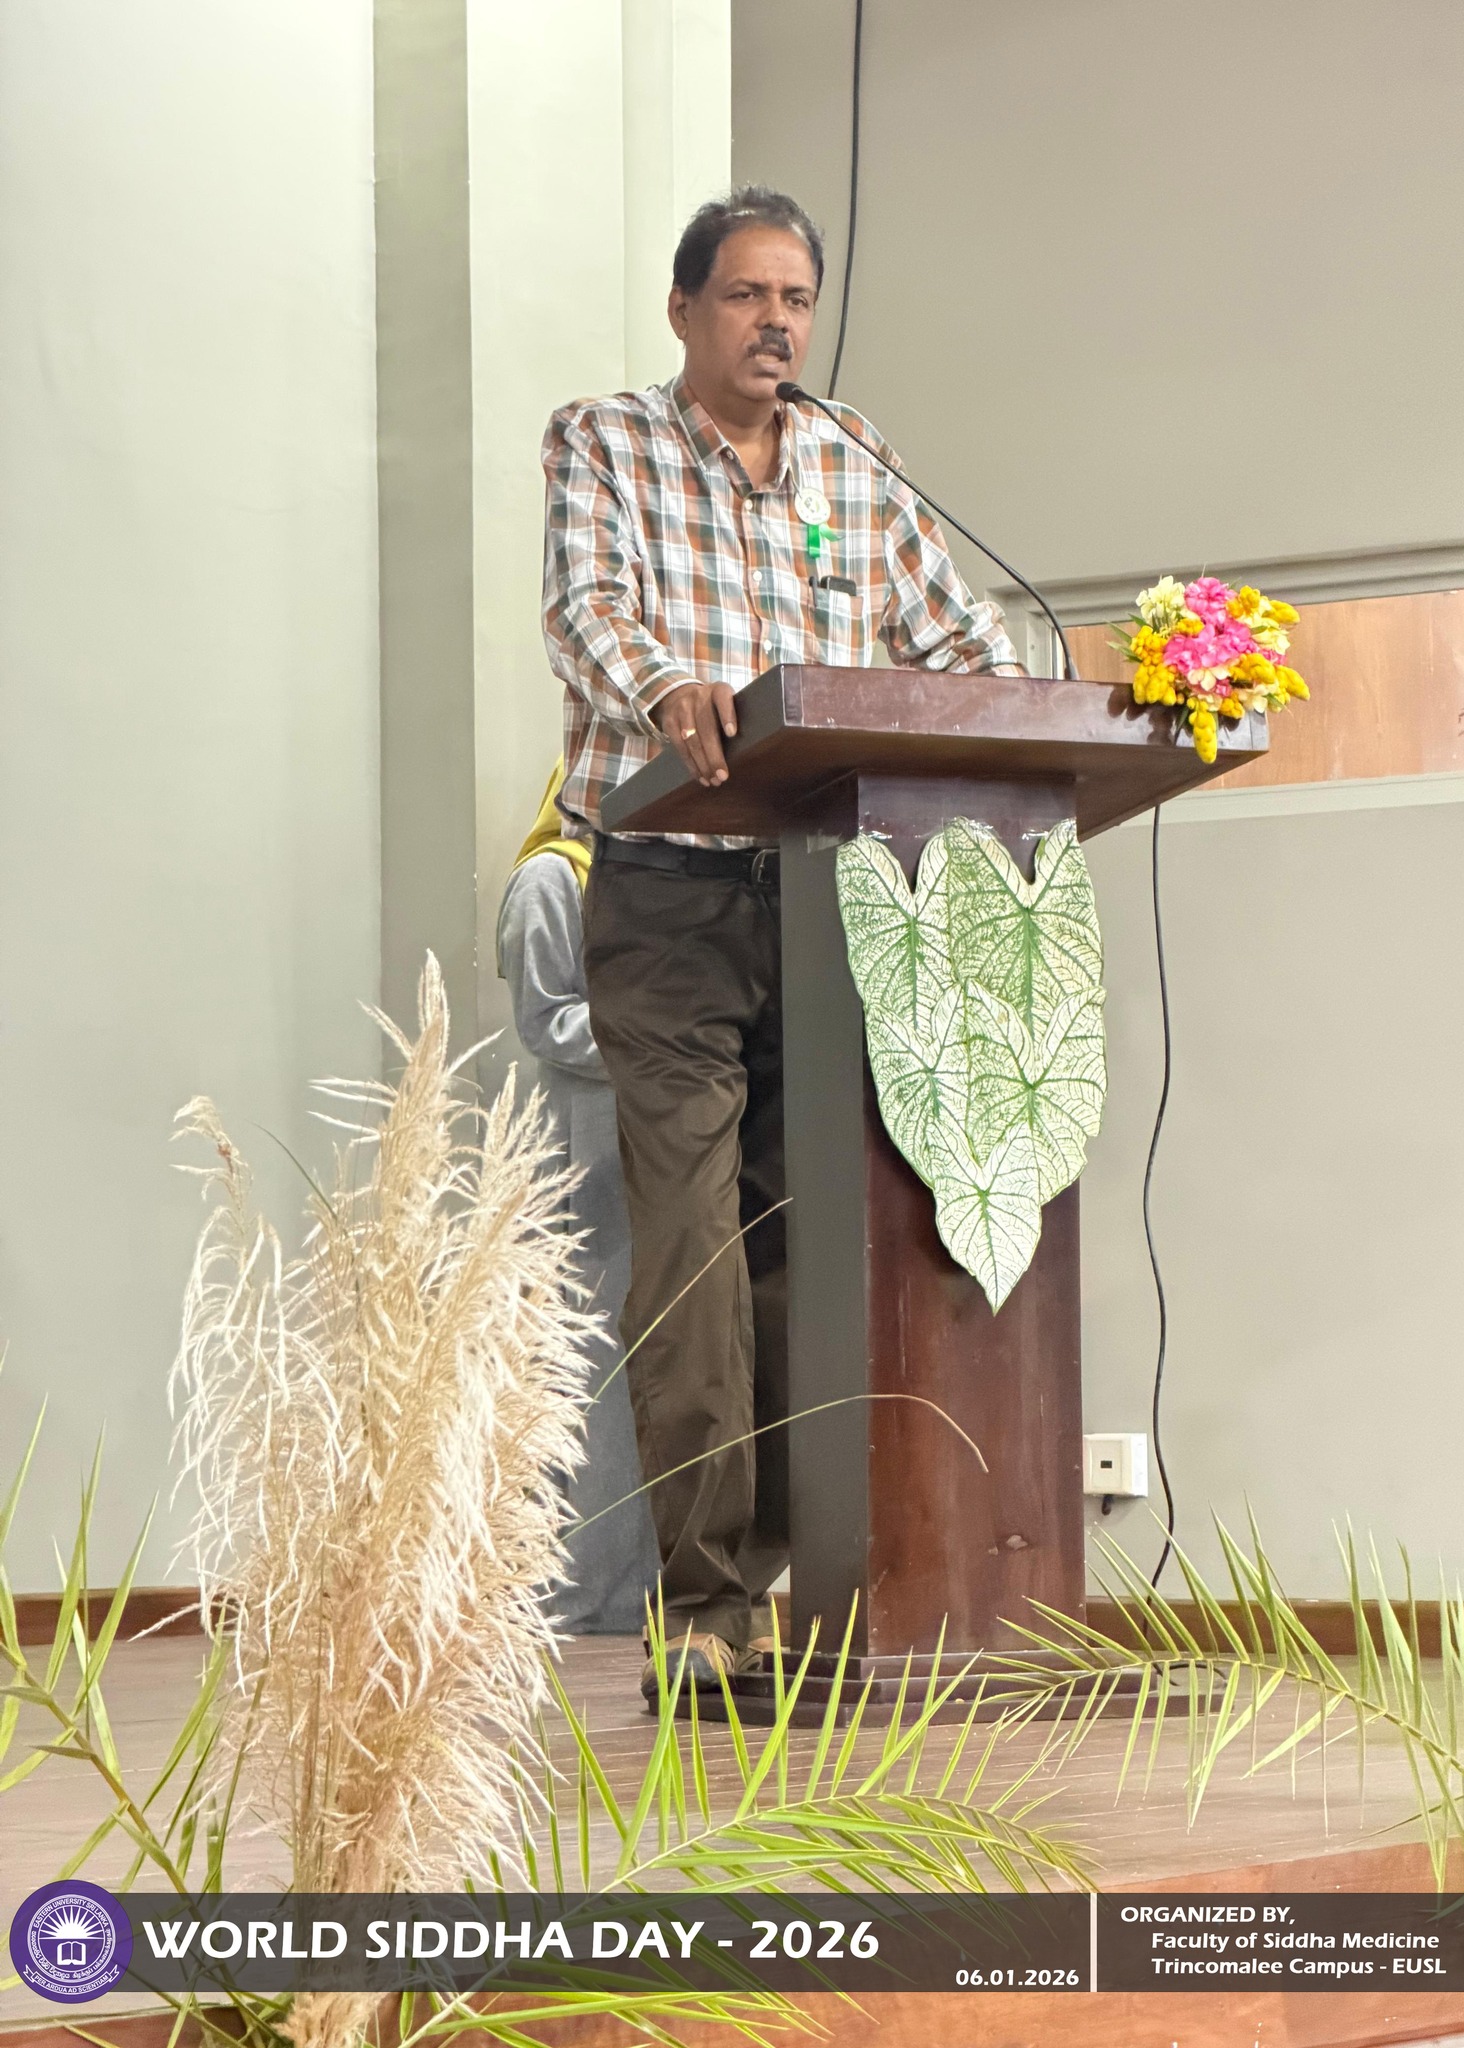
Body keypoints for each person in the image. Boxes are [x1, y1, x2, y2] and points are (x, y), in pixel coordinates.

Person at [542, 185, 1024, 1700]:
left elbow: (963, 642)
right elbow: (587, 610)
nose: (776, 324)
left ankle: (803, 1590)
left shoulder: (852, 456)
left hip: (827, 896)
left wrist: (1030, 710)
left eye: (797, 299)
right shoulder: (606, 439)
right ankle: (702, 1607)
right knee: (692, 1246)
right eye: (747, 296)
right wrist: (673, 689)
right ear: (685, 310)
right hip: (669, 891)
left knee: (803, 1248)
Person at [496, 763, 660, 1635]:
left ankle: (645, 1590)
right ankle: (585, 1599)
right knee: (593, 1375)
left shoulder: (657, 882)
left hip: (657, 1141)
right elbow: (547, 1020)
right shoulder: (549, 879)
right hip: (586, 1152)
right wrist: (665, 1043)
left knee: (649, 1369)